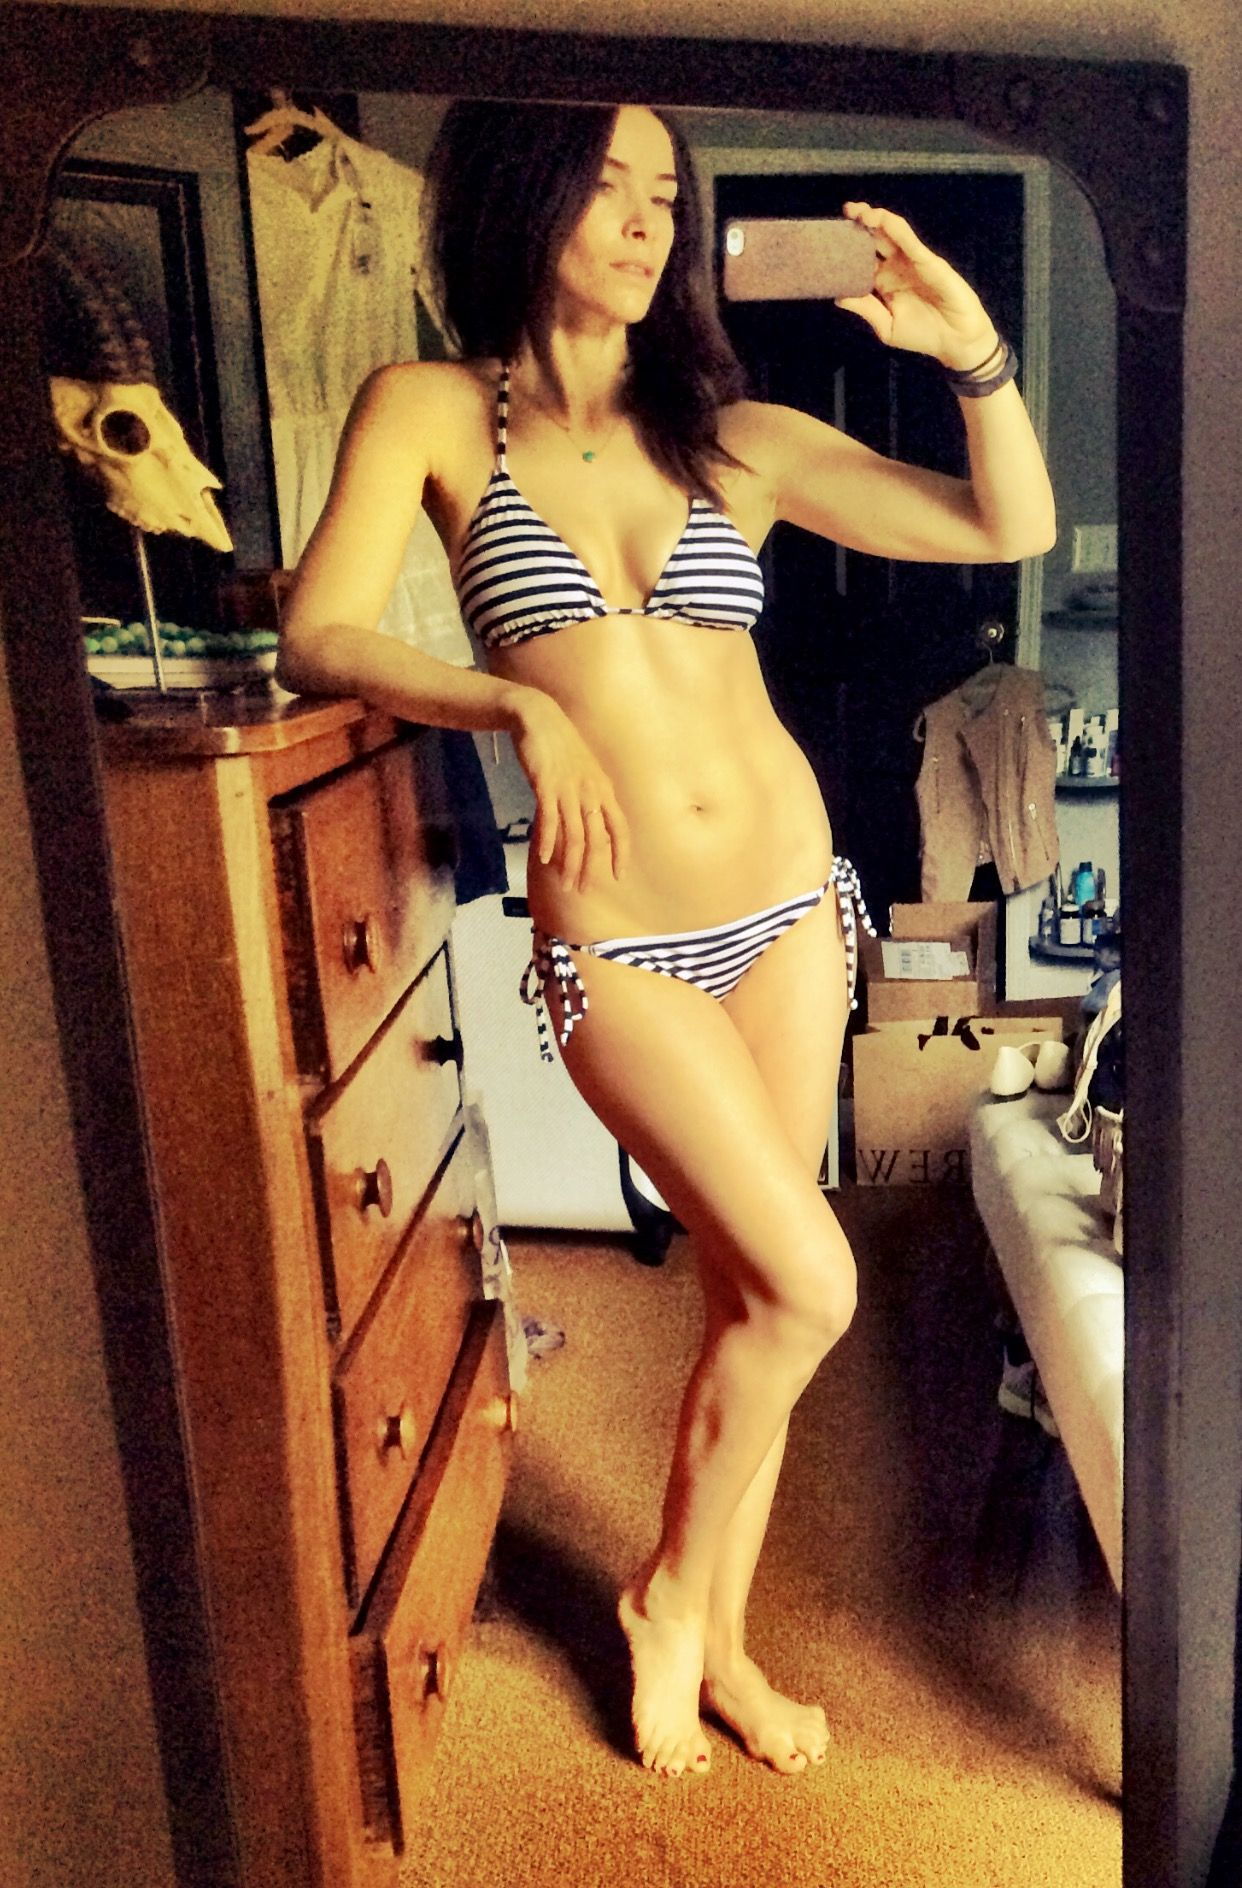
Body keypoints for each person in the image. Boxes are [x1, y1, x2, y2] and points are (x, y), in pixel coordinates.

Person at [276, 99, 1056, 1781]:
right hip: (619, 941)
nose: (647, 221)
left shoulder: (732, 435)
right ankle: (665, 1606)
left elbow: (1008, 528)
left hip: (785, 911)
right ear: (524, 197)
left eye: (664, 195)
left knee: (754, 1297)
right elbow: (318, 634)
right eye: (608, 187)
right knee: (814, 1279)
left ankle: (714, 1638)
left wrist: (970, 352)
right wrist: (508, 703)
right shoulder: (427, 410)